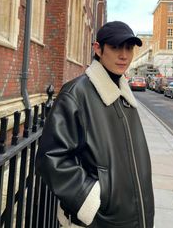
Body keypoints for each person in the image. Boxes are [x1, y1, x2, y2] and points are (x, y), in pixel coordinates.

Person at [35, 21, 155, 228]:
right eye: (116, 47)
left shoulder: (125, 96)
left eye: (129, 48)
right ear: (98, 49)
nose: (124, 55)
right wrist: (89, 198)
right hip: (99, 220)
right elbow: (50, 157)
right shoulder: (76, 93)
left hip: (135, 217)